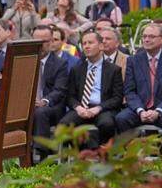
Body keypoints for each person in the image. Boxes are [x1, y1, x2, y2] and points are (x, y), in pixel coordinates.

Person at [114, 24, 162, 140]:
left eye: (151, 36)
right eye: (144, 36)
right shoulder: (133, 60)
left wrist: (158, 111)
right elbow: (129, 91)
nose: (146, 39)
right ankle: (134, 154)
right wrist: (140, 110)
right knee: (122, 118)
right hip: (140, 108)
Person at [57, 30, 124, 149]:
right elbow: (70, 96)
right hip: (82, 107)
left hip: (102, 108)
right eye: (84, 43)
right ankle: (76, 154)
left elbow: (117, 98)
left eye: (90, 43)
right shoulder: (76, 69)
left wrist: (98, 108)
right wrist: (78, 108)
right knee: (64, 125)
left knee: (107, 124)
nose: (86, 46)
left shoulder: (113, 70)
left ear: (101, 46)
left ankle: (102, 153)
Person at [30, 25, 70, 157]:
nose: (40, 45)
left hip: (51, 107)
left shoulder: (60, 64)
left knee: (40, 113)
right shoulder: (25, 61)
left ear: (52, 42)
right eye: (36, 42)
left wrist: (44, 101)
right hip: (28, 106)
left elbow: (60, 90)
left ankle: (42, 154)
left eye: (44, 42)